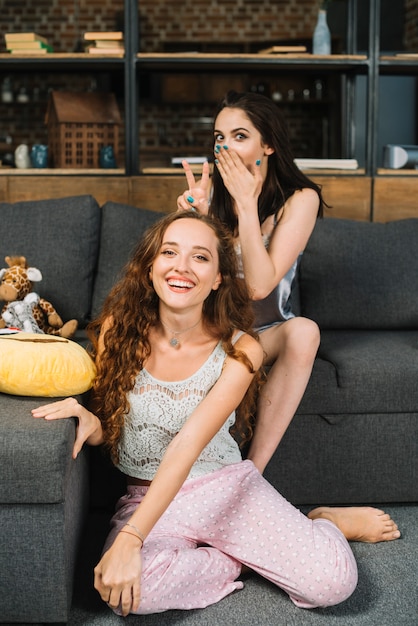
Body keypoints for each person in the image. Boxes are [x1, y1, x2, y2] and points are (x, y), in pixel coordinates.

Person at [32, 211, 365, 617]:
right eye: (169, 252)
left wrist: (130, 539)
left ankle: (325, 522)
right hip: (148, 498)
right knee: (129, 593)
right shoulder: (117, 330)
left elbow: (188, 445)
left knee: (333, 583)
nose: (182, 267)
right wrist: (90, 422)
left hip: (225, 488)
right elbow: (119, 424)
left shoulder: (241, 350)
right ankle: (240, 556)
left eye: (200, 257)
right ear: (151, 265)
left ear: (219, 277)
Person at [177, 90, 401, 545]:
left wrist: (243, 204)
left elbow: (260, 286)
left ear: (268, 145)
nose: (226, 148)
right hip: (218, 331)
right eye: (220, 138)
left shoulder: (300, 200)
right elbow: (187, 282)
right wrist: (200, 219)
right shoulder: (211, 193)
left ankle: (250, 477)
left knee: (304, 331)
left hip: (265, 331)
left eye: (240, 136)